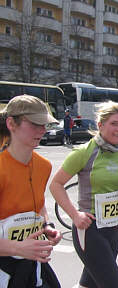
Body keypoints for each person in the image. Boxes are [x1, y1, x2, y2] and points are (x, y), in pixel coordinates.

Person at [50, 101, 118, 288]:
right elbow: (56, 185)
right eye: (114, 124)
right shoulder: (85, 152)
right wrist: (75, 215)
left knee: (89, 284)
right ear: (100, 125)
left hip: (115, 228)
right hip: (90, 230)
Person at [0, 95, 62, 287]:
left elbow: (38, 205)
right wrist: (17, 247)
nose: (42, 130)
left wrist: (47, 226)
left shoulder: (44, 166)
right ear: (11, 123)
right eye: (35, 124)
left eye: (45, 125)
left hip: (32, 266)